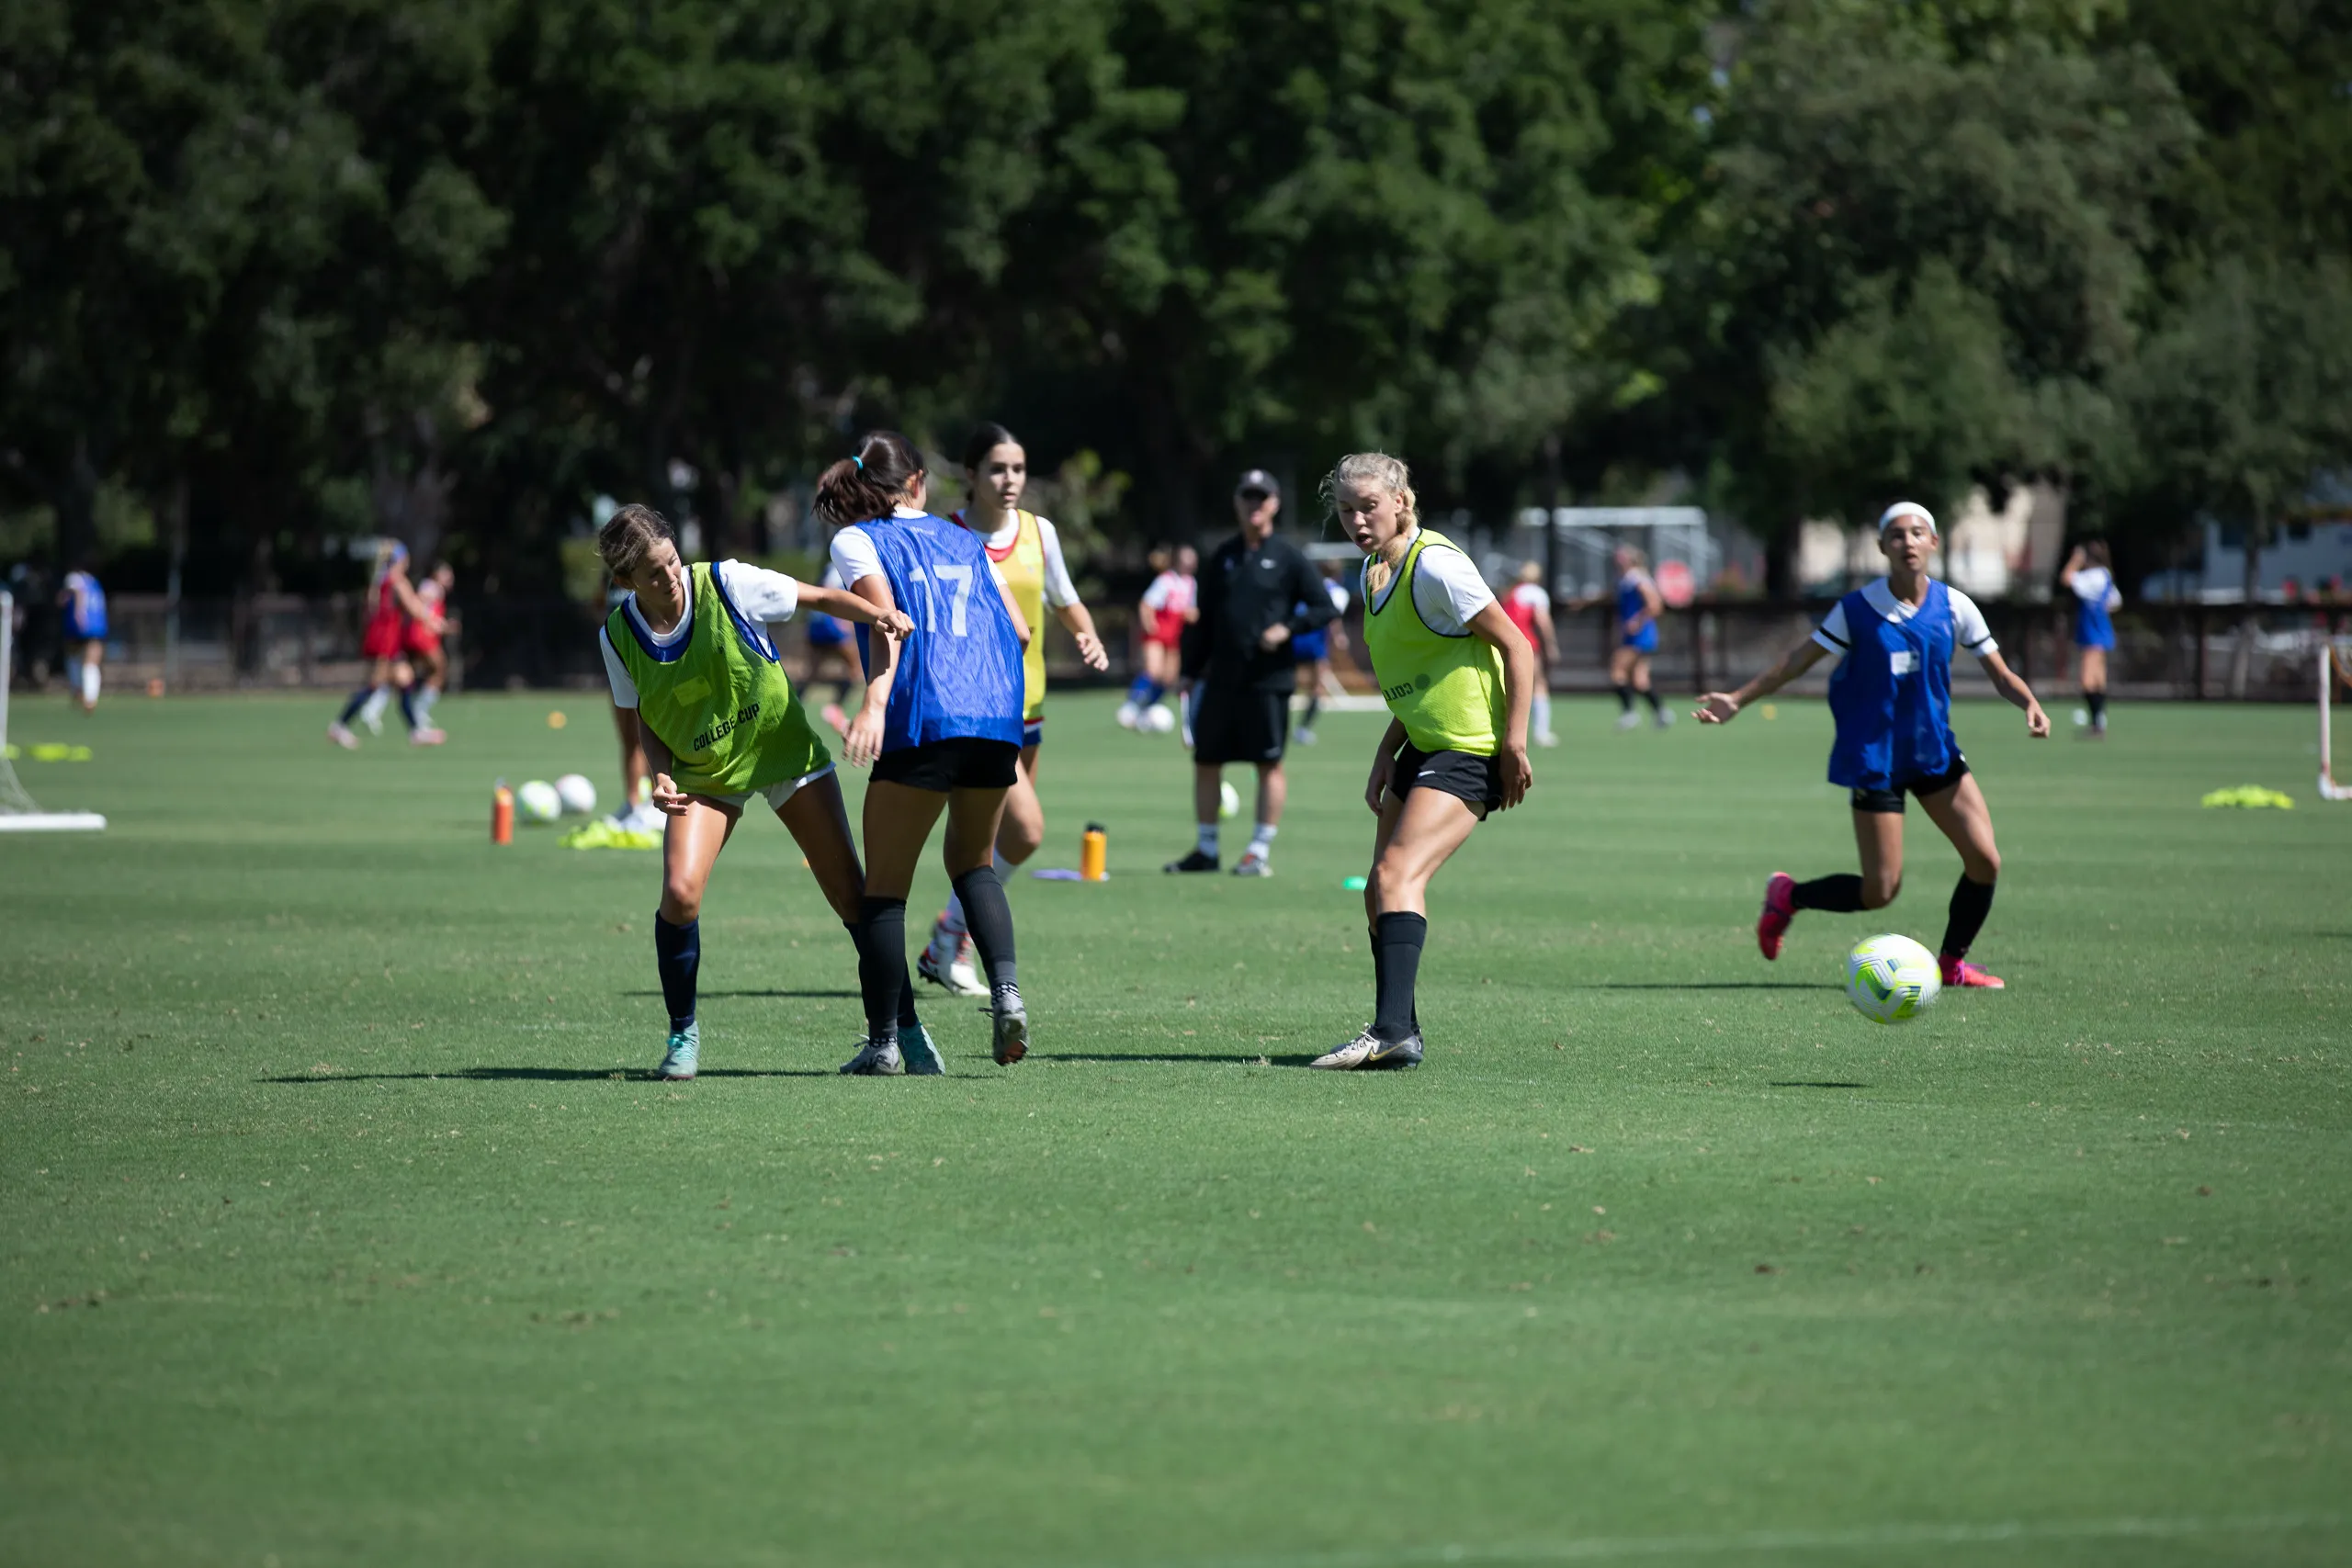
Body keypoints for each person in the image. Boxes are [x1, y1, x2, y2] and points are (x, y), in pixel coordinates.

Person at [596, 502, 925, 1079]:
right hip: (706, 771)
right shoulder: (618, 637)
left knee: (852, 895)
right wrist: (660, 772)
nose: (670, 577)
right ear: (626, 583)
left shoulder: (728, 583)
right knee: (679, 893)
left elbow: (819, 599)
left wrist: (878, 615)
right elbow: (645, 713)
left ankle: (900, 1033)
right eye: (652, 573)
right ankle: (682, 1037)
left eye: (672, 561)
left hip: (782, 753)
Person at [1695, 501, 2049, 991]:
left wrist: (2028, 701)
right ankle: (1788, 896)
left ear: (1933, 543)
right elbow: (1797, 661)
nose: (1908, 542)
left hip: (1933, 753)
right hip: (1876, 758)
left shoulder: (1955, 606)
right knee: (1881, 891)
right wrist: (1737, 698)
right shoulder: (1858, 610)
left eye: (1918, 533)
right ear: (1883, 546)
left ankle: (1950, 964)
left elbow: (2000, 672)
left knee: (1986, 861)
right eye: (1898, 535)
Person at [818, 430, 1036, 1072]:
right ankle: (1007, 992)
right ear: (917, 481)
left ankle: (884, 1044)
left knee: (883, 892)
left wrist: (876, 705)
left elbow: (888, 620)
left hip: (924, 716)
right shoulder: (964, 537)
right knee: (973, 866)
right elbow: (1019, 631)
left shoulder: (857, 538)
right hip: (996, 718)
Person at [1311, 453, 1535, 1070]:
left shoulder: (1434, 565)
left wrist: (1514, 744)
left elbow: (1518, 646)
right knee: (1377, 891)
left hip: (1468, 746)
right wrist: (1386, 752)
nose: (1357, 519)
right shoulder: (1371, 573)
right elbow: (1419, 673)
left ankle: (1386, 1032)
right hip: (1420, 743)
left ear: (1401, 503)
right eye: (1346, 509)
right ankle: (1399, 1031)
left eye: (1369, 507)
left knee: (1395, 877)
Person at [919, 423, 1111, 996]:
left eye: (1019, 469)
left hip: (1027, 709)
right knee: (1024, 832)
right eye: (998, 469)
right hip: (971, 710)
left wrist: (1088, 635)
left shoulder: (1039, 532)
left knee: (994, 839)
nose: (1010, 480)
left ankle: (947, 943)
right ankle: (950, 937)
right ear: (971, 475)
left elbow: (1064, 597)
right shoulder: (943, 535)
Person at [1163, 469, 1336, 876]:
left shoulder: (1290, 557)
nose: (1254, 505)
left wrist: (1287, 628)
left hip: (1268, 681)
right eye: (1247, 497)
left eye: (1262, 498)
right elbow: (1203, 621)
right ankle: (1206, 850)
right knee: (1206, 762)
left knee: (1268, 764)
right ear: (1237, 502)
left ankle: (1258, 851)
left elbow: (1324, 607)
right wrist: (1189, 671)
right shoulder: (1221, 555)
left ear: (1274, 503)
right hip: (1221, 678)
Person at [329, 542, 439, 749]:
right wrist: (435, 622)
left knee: (405, 678)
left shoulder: (380, 580)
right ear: (400, 560)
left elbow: (372, 609)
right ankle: (339, 726)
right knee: (374, 684)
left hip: (380, 638)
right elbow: (414, 608)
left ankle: (416, 731)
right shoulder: (397, 580)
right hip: (386, 641)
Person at [1121, 546, 1197, 729]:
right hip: (1157, 633)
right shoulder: (1166, 581)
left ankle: (1148, 707)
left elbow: (1189, 609)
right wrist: (1149, 623)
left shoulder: (1191, 583)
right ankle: (1131, 705)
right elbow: (1147, 604)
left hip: (1175, 635)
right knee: (1153, 670)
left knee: (1169, 678)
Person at [2062, 541, 2121, 739]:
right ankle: (2099, 723)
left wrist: (2075, 560)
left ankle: (2097, 724)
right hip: (2101, 628)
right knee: (2098, 679)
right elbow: (2115, 601)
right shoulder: (2105, 574)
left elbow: (2066, 579)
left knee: (2087, 680)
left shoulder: (2092, 576)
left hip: (2092, 631)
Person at [1290, 561, 1351, 746]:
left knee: (1284, 683)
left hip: (1293, 637)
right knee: (1317, 687)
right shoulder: (1339, 592)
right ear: (1339, 575)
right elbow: (1332, 617)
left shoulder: (1304, 584)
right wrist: (1339, 636)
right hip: (1315, 641)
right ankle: (1302, 729)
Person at [1608, 545, 1668, 730]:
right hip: (1635, 634)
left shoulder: (1637, 578)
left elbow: (1655, 605)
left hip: (1640, 634)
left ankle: (1629, 713)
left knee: (1617, 671)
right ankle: (1661, 713)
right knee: (1640, 680)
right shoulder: (1625, 579)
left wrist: (1637, 621)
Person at [1502, 561, 1560, 747]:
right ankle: (1541, 733)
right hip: (1525, 644)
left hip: (1503, 644)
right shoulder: (1536, 593)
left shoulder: (1510, 592)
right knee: (1539, 685)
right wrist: (1551, 644)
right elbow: (1543, 621)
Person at [801, 562, 863, 737]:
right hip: (829, 624)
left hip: (816, 623)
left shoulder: (832, 567)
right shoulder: (839, 568)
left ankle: (791, 707)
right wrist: (843, 621)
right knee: (855, 668)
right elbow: (829, 591)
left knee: (812, 673)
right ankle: (835, 709)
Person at [401, 561, 455, 744]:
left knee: (414, 674)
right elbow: (420, 604)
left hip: (420, 634)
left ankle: (416, 709)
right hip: (421, 636)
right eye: (446, 575)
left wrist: (442, 625)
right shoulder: (432, 588)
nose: (449, 579)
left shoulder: (434, 589)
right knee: (440, 668)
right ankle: (420, 711)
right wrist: (434, 623)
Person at [57, 564, 107, 715]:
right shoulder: (95, 582)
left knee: (74, 657)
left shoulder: (74, 577)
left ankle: (77, 690)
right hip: (98, 625)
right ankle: (91, 698)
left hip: (78, 625)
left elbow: (77, 591)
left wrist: (78, 613)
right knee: (91, 662)